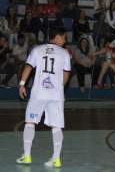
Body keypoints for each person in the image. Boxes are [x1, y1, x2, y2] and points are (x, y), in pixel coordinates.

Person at [16, 27, 71, 168]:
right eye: (64, 38)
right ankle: (56, 159)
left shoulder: (37, 49)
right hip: (56, 94)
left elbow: (28, 67)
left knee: (30, 122)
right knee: (57, 126)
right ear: (56, 37)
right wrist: (60, 87)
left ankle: (27, 156)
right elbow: (66, 74)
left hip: (39, 93)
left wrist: (22, 84)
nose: (65, 41)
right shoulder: (65, 53)